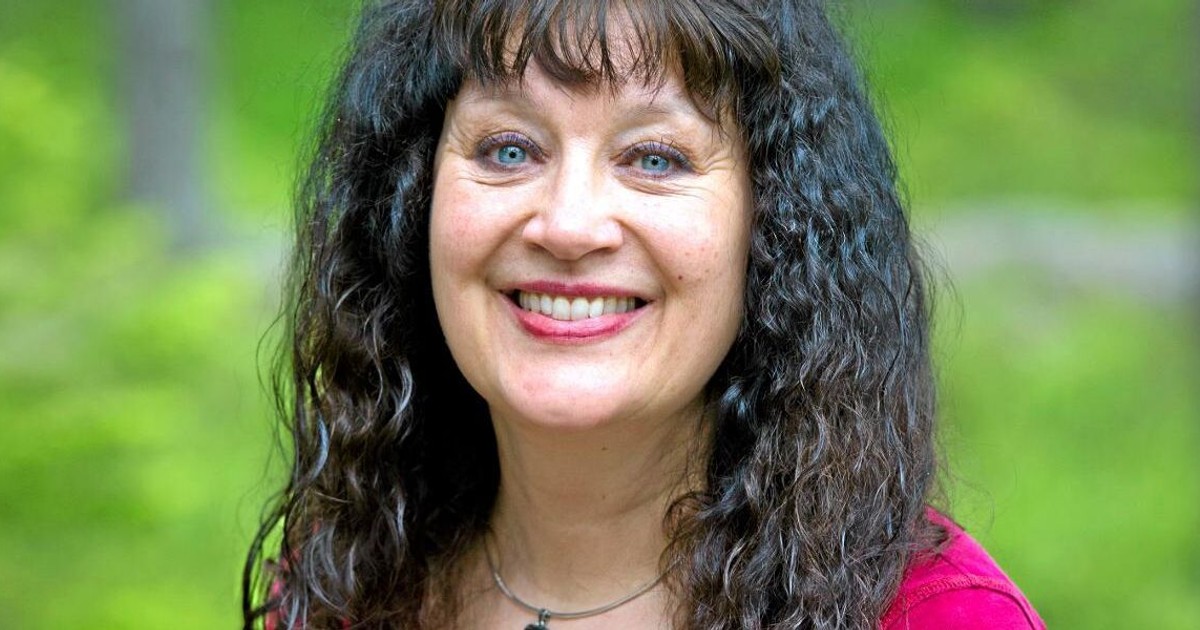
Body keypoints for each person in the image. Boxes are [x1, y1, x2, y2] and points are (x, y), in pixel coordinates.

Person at [243, 1, 1046, 628]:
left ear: (771, 226)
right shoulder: (341, 590)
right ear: (410, 200)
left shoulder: (938, 618)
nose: (568, 224)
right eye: (509, 149)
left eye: (655, 159)